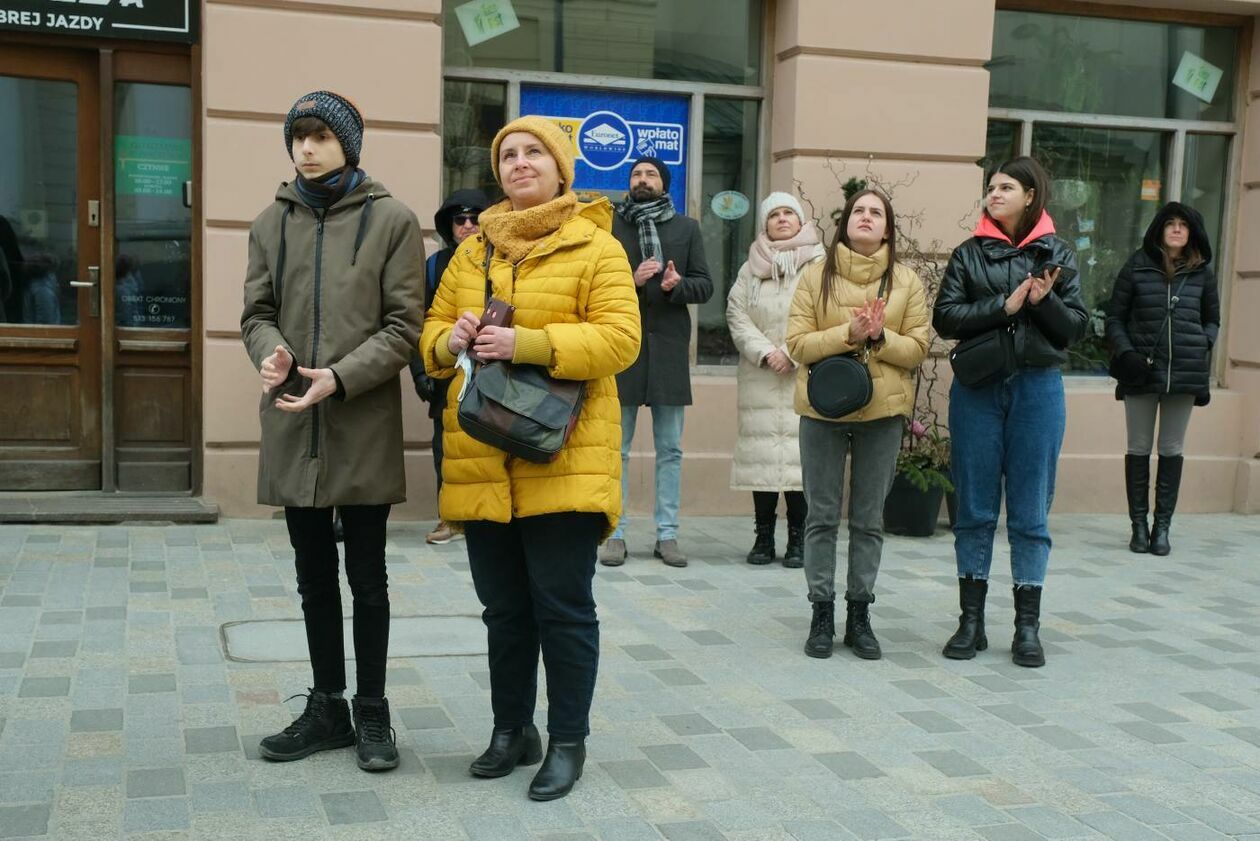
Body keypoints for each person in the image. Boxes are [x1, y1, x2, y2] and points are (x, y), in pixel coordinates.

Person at [419, 116, 640, 801]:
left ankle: (568, 740)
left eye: (533, 152)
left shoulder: (596, 246)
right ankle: (512, 728)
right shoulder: (472, 251)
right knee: (504, 610)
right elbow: (428, 339)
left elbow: (620, 340)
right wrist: (447, 337)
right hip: (484, 455)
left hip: (564, 454)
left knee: (563, 608)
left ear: (560, 166)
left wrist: (529, 344)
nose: (518, 163)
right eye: (508, 154)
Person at [240, 90, 424, 771]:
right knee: (313, 575)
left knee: (367, 577)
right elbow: (255, 311)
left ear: (349, 143)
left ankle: (372, 709)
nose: (307, 147)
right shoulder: (270, 222)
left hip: (361, 418)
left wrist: (339, 376)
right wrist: (271, 354)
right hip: (293, 420)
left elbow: (405, 326)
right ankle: (328, 706)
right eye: (299, 136)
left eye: (321, 135)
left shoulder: (394, 221)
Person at [933, 156, 1087, 668]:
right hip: (977, 389)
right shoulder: (968, 254)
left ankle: (1026, 627)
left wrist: (1043, 302)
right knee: (974, 509)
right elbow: (946, 317)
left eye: (1005, 187)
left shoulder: (1059, 253)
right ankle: (970, 621)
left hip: (1038, 390)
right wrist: (1006, 306)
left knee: (1029, 512)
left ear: (1030, 195)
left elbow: (1077, 330)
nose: (993, 194)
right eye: (990, 187)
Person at [786, 189, 929, 660]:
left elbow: (917, 350)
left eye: (876, 213)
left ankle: (861, 614)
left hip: (882, 415)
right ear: (845, 223)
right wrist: (847, 333)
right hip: (823, 411)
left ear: (888, 228)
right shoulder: (814, 276)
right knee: (821, 516)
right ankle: (821, 613)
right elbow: (798, 345)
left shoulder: (907, 281)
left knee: (869, 520)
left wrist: (880, 335)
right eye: (859, 211)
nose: (866, 218)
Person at [600, 157, 713, 568]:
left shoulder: (686, 228)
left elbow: (706, 286)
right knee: (617, 448)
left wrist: (676, 285)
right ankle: (615, 532)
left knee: (670, 449)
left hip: (667, 350)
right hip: (622, 349)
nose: (642, 180)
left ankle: (668, 535)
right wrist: (629, 281)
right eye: (635, 175)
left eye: (650, 175)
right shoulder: (611, 227)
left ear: (664, 185)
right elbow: (594, 283)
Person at [1105, 202, 1219, 557]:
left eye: (1183, 224)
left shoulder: (1202, 274)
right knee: (1138, 447)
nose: (1176, 229)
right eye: (1169, 223)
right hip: (1141, 372)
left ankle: (1162, 528)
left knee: (1171, 449)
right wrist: (1126, 354)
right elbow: (1114, 319)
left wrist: (1203, 342)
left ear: (1192, 232)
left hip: (1184, 375)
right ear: (1159, 229)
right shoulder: (1136, 268)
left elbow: (1213, 319)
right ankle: (1139, 526)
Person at [726, 192, 823, 567]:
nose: (782, 219)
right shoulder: (751, 267)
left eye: (789, 213)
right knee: (761, 459)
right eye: (775, 215)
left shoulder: (818, 264)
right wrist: (767, 352)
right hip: (760, 374)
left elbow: (825, 313)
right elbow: (737, 314)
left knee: (802, 463)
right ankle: (763, 536)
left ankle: (799, 539)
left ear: (801, 222)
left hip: (805, 374)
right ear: (765, 224)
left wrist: (792, 352)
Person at [408, 187, 489, 545]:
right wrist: (419, 370)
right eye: (460, 219)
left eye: (475, 218)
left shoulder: (500, 258)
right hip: (446, 373)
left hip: (494, 369)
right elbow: (419, 321)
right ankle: (449, 518)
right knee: (445, 447)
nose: (468, 225)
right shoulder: (436, 265)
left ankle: (487, 518)